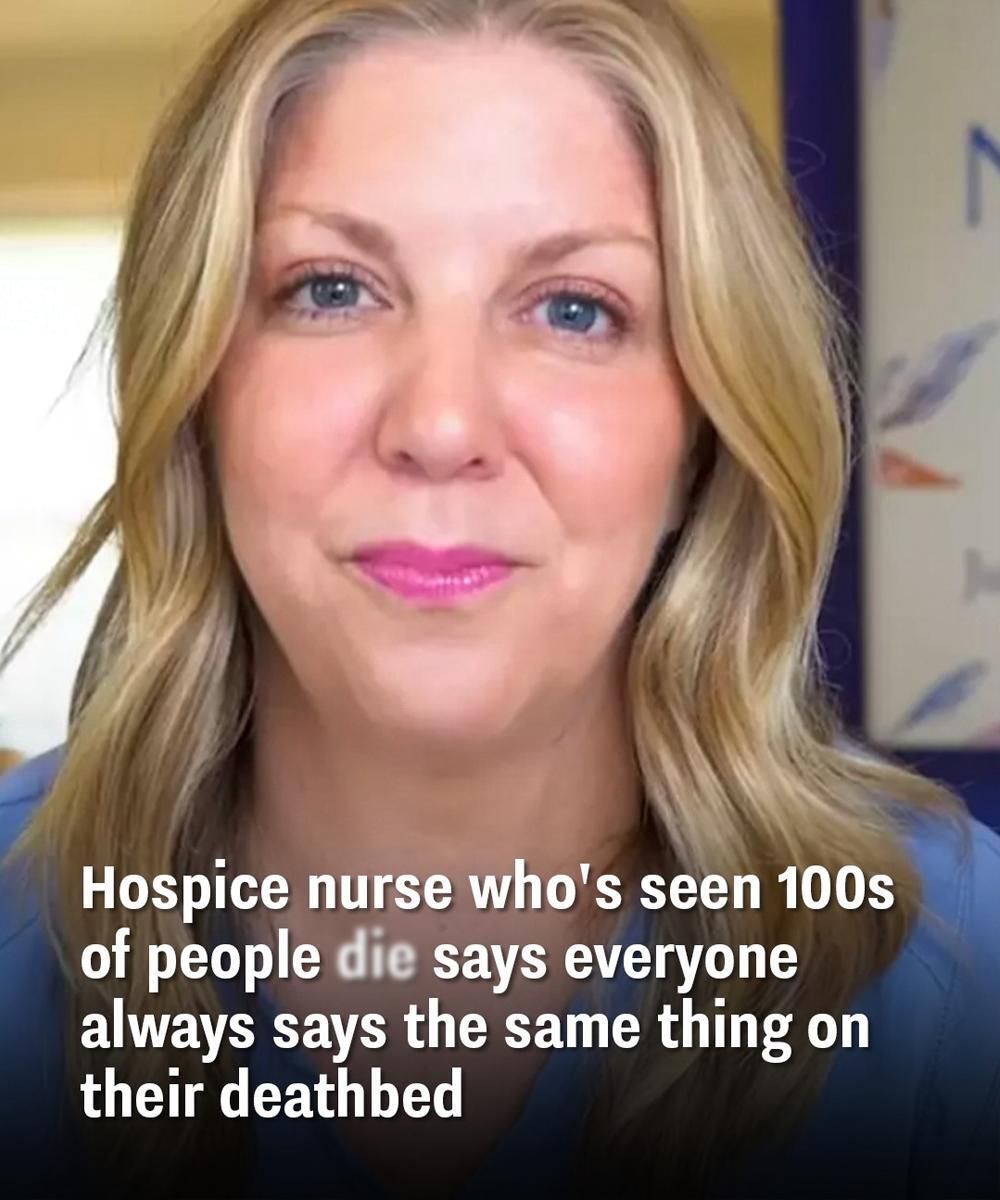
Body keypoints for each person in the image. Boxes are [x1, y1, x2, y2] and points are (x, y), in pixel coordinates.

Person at [1, 0, 997, 1197]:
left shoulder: (959, 983)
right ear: (199, 397)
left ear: (700, 439)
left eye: (574, 309)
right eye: (332, 290)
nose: (440, 425)